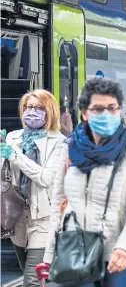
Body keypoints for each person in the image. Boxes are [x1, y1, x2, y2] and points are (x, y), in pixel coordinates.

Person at [43, 77, 126, 286]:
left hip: (117, 257)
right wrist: (49, 256)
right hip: (74, 252)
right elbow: (57, 204)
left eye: (112, 108)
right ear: (85, 113)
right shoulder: (69, 149)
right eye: (98, 109)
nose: (106, 115)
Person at [0, 90, 67, 287]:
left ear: (50, 111)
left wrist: (14, 155)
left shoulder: (58, 142)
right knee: (31, 275)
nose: (32, 112)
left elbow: (46, 178)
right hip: (16, 218)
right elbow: (5, 175)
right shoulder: (13, 137)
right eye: (29, 107)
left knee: (32, 280)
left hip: (43, 220)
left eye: (39, 108)